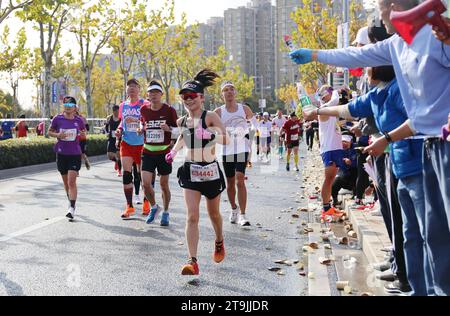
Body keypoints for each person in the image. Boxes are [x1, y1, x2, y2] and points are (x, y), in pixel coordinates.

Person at [290, 0, 450, 295]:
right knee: (416, 232)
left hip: (437, 147)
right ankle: (417, 287)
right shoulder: (394, 46)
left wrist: (387, 139)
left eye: (379, 10)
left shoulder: (438, 37)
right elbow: (353, 56)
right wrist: (313, 54)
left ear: (394, 6)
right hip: (423, 150)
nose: (378, 19)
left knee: (436, 235)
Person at [165, 69, 229, 275]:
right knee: (192, 216)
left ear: (201, 97)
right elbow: (183, 138)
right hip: (190, 170)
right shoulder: (181, 121)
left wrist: (208, 133)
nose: (188, 100)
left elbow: (226, 138)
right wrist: (173, 152)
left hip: (210, 171)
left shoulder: (210, 116)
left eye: (192, 96)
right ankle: (192, 261)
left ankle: (219, 240)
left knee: (214, 214)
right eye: (184, 97)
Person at [214, 81, 254, 226]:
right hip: (227, 151)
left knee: (240, 178)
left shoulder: (244, 109)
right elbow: (212, 129)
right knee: (230, 183)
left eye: (231, 89)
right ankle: (234, 209)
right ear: (222, 94)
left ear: (235, 93)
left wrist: (250, 136)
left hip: (242, 149)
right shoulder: (218, 112)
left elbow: (254, 125)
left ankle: (243, 215)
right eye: (226, 90)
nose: (229, 92)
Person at [140, 80, 178, 226]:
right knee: (146, 183)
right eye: (151, 92)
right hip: (148, 151)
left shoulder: (169, 110)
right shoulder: (144, 109)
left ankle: (166, 212)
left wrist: (169, 129)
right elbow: (142, 122)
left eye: (156, 92)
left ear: (161, 94)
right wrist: (140, 128)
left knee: (163, 184)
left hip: (164, 152)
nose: (154, 95)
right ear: (147, 95)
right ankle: (154, 207)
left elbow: (179, 132)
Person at [48, 96, 86, 220]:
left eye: (70, 106)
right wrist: (58, 134)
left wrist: (83, 138)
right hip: (61, 154)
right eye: (66, 106)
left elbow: (84, 134)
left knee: (71, 181)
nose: (68, 108)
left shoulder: (79, 120)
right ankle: (70, 201)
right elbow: (50, 131)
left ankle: (72, 207)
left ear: (75, 108)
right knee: (66, 183)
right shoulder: (57, 119)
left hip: (74, 154)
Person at [115, 78, 149, 219]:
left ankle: (147, 203)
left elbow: (149, 121)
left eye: (135, 86)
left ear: (139, 89)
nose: (132, 89)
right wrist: (119, 130)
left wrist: (144, 128)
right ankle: (129, 206)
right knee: (127, 175)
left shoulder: (145, 104)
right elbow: (122, 121)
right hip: (127, 143)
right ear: (126, 90)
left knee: (143, 177)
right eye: (129, 87)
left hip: (142, 144)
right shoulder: (123, 105)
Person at [315, 85, 345, 222]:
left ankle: (329, 207)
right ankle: (326, 209)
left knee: (331, 178)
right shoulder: (324, 109)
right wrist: (337, 92)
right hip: (329, 149)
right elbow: (335, 101)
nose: (332, 93)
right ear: (324, 95)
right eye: (330, 91)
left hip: (336, 147)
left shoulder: (330, 110)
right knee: (329, 178)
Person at [331, 135, 358, 207]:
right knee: (335, 182)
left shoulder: (356, 148)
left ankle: (357, 196)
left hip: (355, 171)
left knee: (357, 175)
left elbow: (361, 163)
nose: (344, 144)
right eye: (342, 142)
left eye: (346, 142)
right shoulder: (338, 150)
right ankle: (335, 200)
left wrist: (351, 163)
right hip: (344, 171)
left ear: (351, 142)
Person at [105, 105, 122, 176]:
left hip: (119, 138)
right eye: (115, 111)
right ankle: (117, 161)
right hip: (111, 138)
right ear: (113, 111)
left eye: (117, 111)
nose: (116, 113)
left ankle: (119, 171)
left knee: (118, 155)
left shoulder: (121, 118)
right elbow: (106, 127)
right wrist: (107, 133)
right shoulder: (109, 118)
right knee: (109, 155)